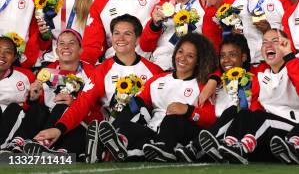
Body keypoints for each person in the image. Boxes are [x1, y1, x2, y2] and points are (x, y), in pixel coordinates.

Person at [31, 14, 163, 162]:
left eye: (127, 34)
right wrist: (59, 128)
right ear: (111, 37)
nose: (121, 38)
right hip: (110, 128)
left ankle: (108, 149)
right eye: (116, 33)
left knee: (136, 103)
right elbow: (84, 102)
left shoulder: (154, 71)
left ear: (138, 39)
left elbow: (161, 107)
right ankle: (106, 148)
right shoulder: (101, 70)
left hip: (143, 127)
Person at [96, 33, 218, 162]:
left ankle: (159, 150)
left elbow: (210, 119)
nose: (182, 58)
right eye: (180, 52)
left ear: (198, 61)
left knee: (172, 120)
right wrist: (122, 119)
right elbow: (138, 104)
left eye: (190, 56)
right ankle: (118, 141)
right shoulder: (157, 80)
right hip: (153, 131)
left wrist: (188, 110)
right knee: (133, 107)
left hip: (182, 133)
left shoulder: (202, 85)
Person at [199, 29, 299, 164]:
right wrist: (214, 78)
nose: (269, 45)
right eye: (265, 42)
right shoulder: (261, 72)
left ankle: (240, 149)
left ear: (286, 45)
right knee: (241, 112)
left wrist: (289, 55)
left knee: (261, 117)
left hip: (295, 128)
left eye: (275, 41)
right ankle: (222, 147)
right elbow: (233, 67)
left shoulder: (298, 64)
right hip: (268, 131)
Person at [5, 30, 97, 157]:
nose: (66, 47)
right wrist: (34, 97)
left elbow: (98, 110)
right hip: (47, 121)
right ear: (57, 49)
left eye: (72, 43)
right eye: (62, 43)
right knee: (38, 108)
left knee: (64, 106)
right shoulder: (46, 70)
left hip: (75, 123)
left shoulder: (92, 73)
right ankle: (18, 142)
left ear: (81, 50)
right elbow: (38, 107)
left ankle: (46, 144)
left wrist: (75, 104)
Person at [175, 34, 254, 162]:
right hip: (211, 130)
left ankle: (194, 148)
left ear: (243, 57)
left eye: (232, 55)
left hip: (240, 133)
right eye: (222, 56)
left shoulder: (254, 77)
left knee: (234, 110)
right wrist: (214, 79)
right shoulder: (217, 82)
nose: (226, 60)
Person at [140, 0, 221, 70]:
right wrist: (155, 25)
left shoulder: (207, 9)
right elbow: (145, 46)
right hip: (159, 69)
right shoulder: (161, 7)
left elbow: (213, 52)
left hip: (190, 71)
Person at [0, 36, 35, 148]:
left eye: (8, 52)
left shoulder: (26, 76)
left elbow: (37, 106)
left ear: (15, 58)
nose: (2, 55)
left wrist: (31, 100)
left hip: (15, 122)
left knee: (15, 108)